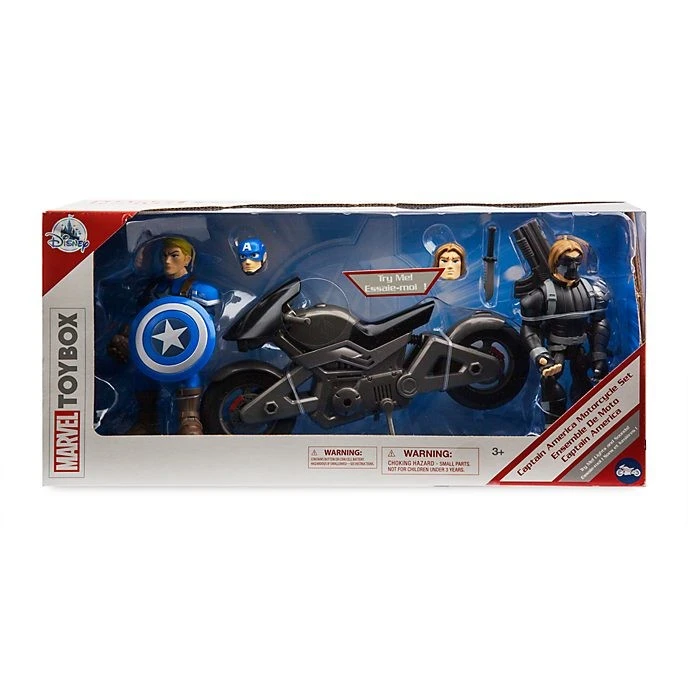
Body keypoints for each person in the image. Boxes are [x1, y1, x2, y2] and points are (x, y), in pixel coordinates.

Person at [108, 237, 220, 435]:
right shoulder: (154, 289)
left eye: (174, 255)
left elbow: (205, 326)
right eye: (164, 255)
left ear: (187, 259)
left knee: (190, 373)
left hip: (187, 351)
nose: (168, 261)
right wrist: (125, 336)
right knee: (141, 373)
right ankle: (147, 421)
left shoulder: (201, 291)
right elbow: (142, 319)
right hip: (154, 350)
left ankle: (190, 418)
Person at [518, 236, 610, 426]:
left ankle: (584, 425)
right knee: (550, 383)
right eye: (567, 262)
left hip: (580, 349)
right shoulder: (541, 295)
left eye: (577, 261)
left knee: (584, 384)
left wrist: (599, 354)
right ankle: (552, 426)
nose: (573, 267)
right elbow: (529, 328)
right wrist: (540, 355)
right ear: (556, 262)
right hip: (555, 350)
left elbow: (599, 322)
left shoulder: (591, 291)